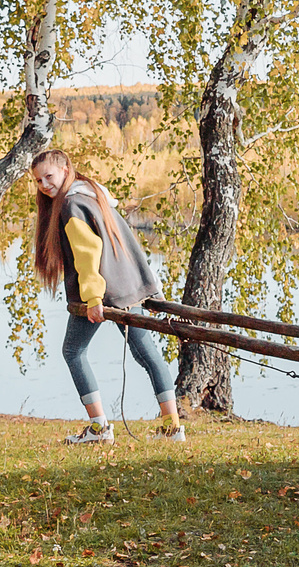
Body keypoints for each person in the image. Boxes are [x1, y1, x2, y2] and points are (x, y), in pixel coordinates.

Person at [30, 149, 184, 444]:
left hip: (103, 292)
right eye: (38, 181)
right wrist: (147, 285)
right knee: (146, 353)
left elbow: (88, 254)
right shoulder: (94, 194)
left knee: (73, 351)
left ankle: (99, 428)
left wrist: (92, 298)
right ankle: (172, 426)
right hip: (126, 287)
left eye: (48, 176)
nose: (44, 185)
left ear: (64, 170)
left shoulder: (72, 204)